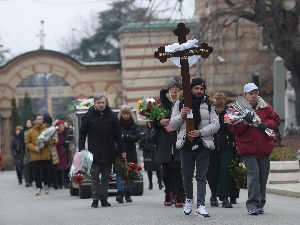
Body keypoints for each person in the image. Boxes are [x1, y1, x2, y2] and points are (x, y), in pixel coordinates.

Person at [170, 77, 220, 217]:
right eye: (196, 88)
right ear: (190, 89)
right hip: (186, 144)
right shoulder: (180, 103)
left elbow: (216, 125)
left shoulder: (209, 104)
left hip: (203, 143)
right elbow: (172, 124)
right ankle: (188, 199)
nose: (199, 91)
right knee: (186, 175)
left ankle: (201, 205)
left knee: (201, 176)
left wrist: (201, 132)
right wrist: (182, 115)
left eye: (201, 89)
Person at [228, 83, 280, 215]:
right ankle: (252, 204)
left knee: (262, 177)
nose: (254, 96)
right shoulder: (238, 108)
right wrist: (245, 122)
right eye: (251, 93)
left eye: (256, 93)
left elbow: (276, 120)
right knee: (254, 174)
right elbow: (234, 129)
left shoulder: (265, 106)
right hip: (248, 148)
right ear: (244, 95)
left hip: (264, 148)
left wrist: (264, 124)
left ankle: (260, 203)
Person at [79, 93, 126, 208]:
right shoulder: (88, 116)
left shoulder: (112, 116)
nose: (101, 105)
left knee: (106, 176)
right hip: (93, 152)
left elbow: (118, 135)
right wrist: (81, 149)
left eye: (103, 103)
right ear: (94, 103)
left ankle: (104, 198)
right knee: (95, 176)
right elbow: (82, 133)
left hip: (108, 151)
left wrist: (122, 150)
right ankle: (95, 199)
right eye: (98, 103)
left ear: (106, 103)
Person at [152, 76, 185, 207]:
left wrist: (175, 125)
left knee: (177, 169)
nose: (175, 90)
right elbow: (153, 122)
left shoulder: (183, 102)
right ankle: (168, 192)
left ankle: (178, 194)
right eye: (172, 88)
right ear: (169, 89)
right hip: (164, 142)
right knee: (166, 170)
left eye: (177, 88)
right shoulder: (161, 104)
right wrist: (160, 122)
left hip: (178, 139)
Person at [206, 92, 236, 208]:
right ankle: (213, 194)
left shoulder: (228, 114)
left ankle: (225, 197)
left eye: (221, 107)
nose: (219, 109)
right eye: (217, 107)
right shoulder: (209, 115)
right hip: (211, 146)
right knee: (212, 171)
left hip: (226, 146)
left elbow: (234, 130)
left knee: (225, 170)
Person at [115, 105, 141, 203]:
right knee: (119, 173)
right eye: (124, 114)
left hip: (131, 151)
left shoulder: (134, 125)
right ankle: (120, 193)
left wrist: (125, 136)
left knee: (130, 172)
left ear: (130, 114)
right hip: (119, 151)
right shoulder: (117, 125)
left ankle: (128, 194)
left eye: (127, 114)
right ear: (121, 114)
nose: (126, 116)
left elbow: (136, 137)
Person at [26, 114, 53, 195]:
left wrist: (47, 141)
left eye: (41, 119)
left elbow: (52, 142)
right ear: (35, 120)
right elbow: (27, 143)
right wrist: (34, 148)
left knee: (46, 172)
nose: (41, 120)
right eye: (39, 119)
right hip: (35, 156)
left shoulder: (47, 130)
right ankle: (38, 187)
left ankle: (46, 185)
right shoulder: (30, 131)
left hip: (45, 155)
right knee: (37, 172)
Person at [139, 122, 163, 190]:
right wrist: (148, 149)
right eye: (149, 122)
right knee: (149, 169)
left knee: (158, 168)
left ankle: (160, 183)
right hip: (148, 153)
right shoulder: (144, 131)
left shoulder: (157, 130)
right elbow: (142, 143)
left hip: (156, 152)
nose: (150, 124)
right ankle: (150, 183)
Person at [55, 120, 70, 189]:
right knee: (58, 169)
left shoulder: (65, 133)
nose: (62, 127)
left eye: (63, 126)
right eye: (61, 126)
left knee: (66, 168)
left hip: (65, 152)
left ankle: (66, 182)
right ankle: (59, 183)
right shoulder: (55, 134)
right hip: (57, 153)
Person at [20, 119, 34, 187]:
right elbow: (21, 142)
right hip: (25, 151)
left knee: (32, 166)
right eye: (27, 122)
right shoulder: (23, 132)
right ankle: (27, 181)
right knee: (26, 166)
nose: (28, 124)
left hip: (32, 150)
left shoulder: (33, 131)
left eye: (29, 122)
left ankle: (31, 180)